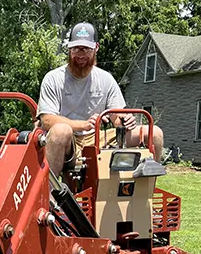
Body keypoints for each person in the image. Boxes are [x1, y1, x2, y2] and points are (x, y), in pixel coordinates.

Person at [37, 22, 164, 177]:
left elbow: (116, 117)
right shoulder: (53, 78)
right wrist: (83, 125)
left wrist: (124, 120)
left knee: (154, 133)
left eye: (86, 49)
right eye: (76, 48)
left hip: (98, 138)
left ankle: (148, 186)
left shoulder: (106, 79)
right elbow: (47, 120)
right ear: (69, 49)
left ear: (96, 48)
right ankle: (49, 188)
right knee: (60, 131)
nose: (80, 54)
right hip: (68, 141)